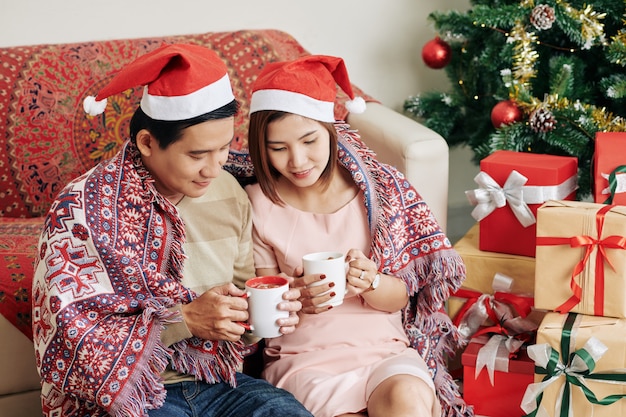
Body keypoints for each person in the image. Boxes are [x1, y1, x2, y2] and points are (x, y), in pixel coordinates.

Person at [31, 43, 313, 417]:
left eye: (224, 148)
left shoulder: (230, 192)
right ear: (147, 142)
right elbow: (72, 339)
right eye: (197, 155)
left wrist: (265, 313)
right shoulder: (83, 209)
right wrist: (188, 319)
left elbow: (244, 320)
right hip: (133, 395)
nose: (214, 169)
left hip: (219, 381)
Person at [245, 55, 473, 417]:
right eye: (278, 148)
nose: (298, 161)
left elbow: (400, 297)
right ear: (261, 147)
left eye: (309, 141)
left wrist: (371, 281)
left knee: (407, 400)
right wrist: (298, 299)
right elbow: (263, 320)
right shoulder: (257, 203)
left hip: (384, 351)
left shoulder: (376, 193)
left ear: (331, 131)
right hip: (305, 361)